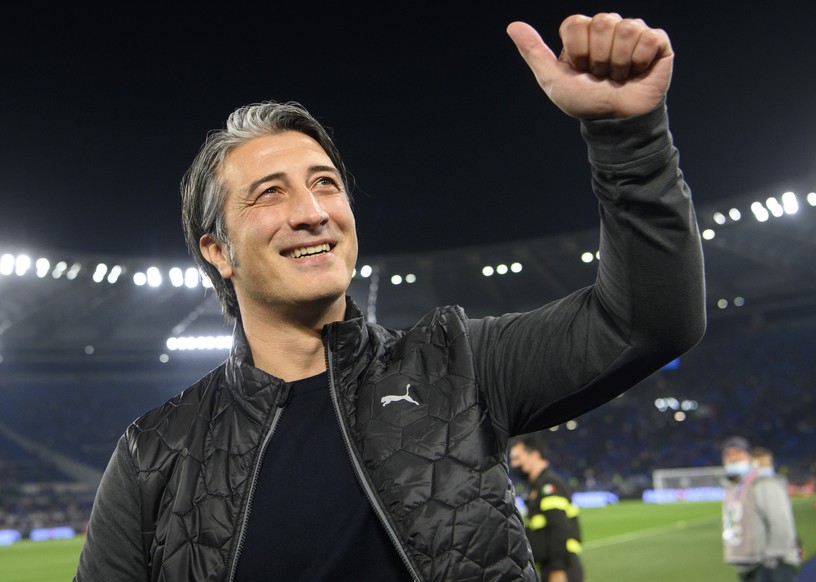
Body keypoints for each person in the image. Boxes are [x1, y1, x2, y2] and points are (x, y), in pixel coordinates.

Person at [73, 10, 706, 581]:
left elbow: (648, 320)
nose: (313, 211)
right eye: (270, 193)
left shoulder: (459, 365)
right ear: (217, 250)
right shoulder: (153, 452)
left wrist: (629, 139)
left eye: (325, 184)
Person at [721, 437, 802, 581]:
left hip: (771, 565)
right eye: (727, 454)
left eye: (738, 453)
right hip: (750, 565)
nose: (732, 458)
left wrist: (771, 559)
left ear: (748, 456)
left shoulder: (763, 483)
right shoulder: (734, 487)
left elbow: (780, 522)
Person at [509, 433, 584, 582]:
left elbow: (558, 527)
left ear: (535, 455)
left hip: (561, 567)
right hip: (550, 566)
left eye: (517, 458)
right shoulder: (538, 486)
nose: (513, 465)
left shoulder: (548, 485)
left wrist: (557, 569)